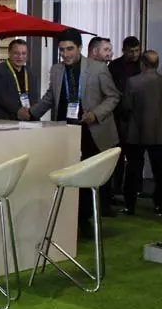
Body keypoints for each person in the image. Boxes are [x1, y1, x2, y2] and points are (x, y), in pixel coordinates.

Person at [31, 30, 121, 231]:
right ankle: (71, 218)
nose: (65, 54)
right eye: (62, 50)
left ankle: (84, 219)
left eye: (70, 49)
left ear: (79, 48)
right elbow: (50, 96)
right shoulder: (56, 69)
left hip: (92, 130)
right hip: (65, 129)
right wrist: (31, 114)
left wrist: (96, 114)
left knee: (87, 176)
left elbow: (113, 97)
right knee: (68, 173)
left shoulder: (98, 68)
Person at [122, 51, 162, 215]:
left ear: (142, 64)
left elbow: (126, 106)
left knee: (133, 168)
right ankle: (160, 204)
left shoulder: (133, 82)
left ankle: (130, 205)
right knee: (161, 170)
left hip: (137, 131)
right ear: (157, 64)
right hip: (159, 131)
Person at [108, 36, 143, 194]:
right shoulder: (114, 66)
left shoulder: (143, 65)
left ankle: (136, 188)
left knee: (136, 156)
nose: (134, 54)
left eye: (137, 50)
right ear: (124, 50)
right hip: (118, 115)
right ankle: (116, 187)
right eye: (131, 51)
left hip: (138, 115)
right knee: (118, 154)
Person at [0, 39, 32, 121]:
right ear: (9, 53)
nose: (20, 57)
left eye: (24, 53)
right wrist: (18, 111)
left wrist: (32, 112)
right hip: (3, 120)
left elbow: (34, 96)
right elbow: (0, 96)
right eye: (16, 53)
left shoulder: (30, 72)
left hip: (27, 119)